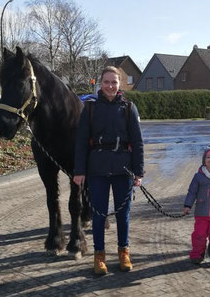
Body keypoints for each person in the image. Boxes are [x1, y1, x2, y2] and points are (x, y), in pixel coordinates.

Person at [73, 66, 144, 275]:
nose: (110, 86)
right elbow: (81, 143)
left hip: (124, 169)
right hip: (97, 169)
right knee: (98, 215)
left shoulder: (129, 107)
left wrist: (138, 172)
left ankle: (124, 252)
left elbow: (138, 142)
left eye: (114, 82)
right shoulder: (90, 109)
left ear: (120, 84)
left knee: (124, 214)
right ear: (100, 84)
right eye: (107, 82)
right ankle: (99, 256)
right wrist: (79, 170)